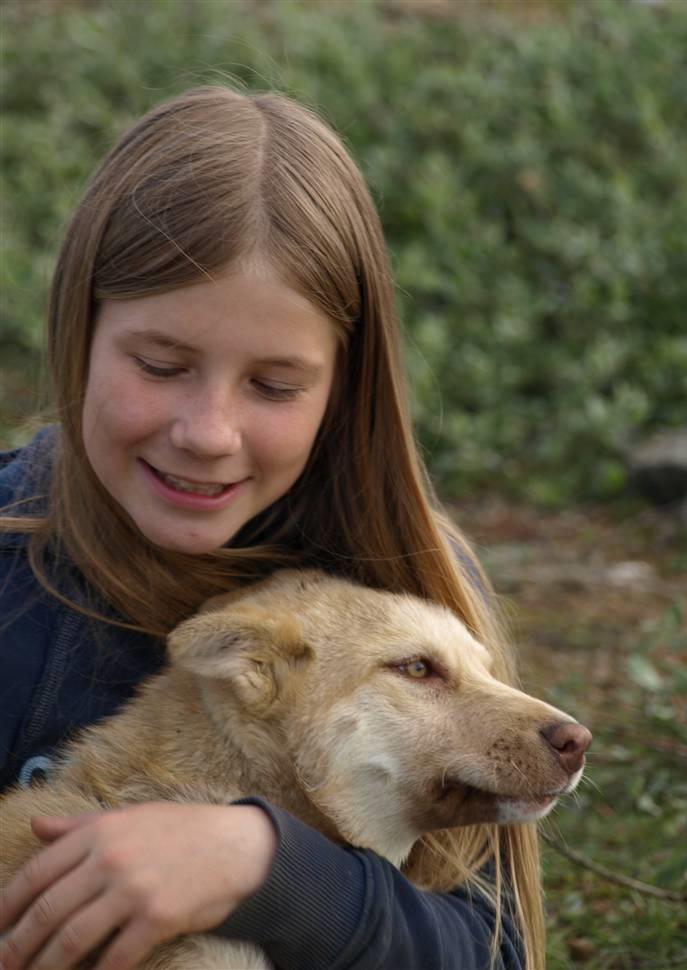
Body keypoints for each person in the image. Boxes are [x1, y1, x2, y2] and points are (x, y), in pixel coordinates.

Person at [0, 86, 542, 970]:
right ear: (78, 334)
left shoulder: (406, 585)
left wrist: (270, 868)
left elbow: (491, 950)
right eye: (161, 365)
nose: (208, 433)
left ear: (343, 388)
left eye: (274, 386)